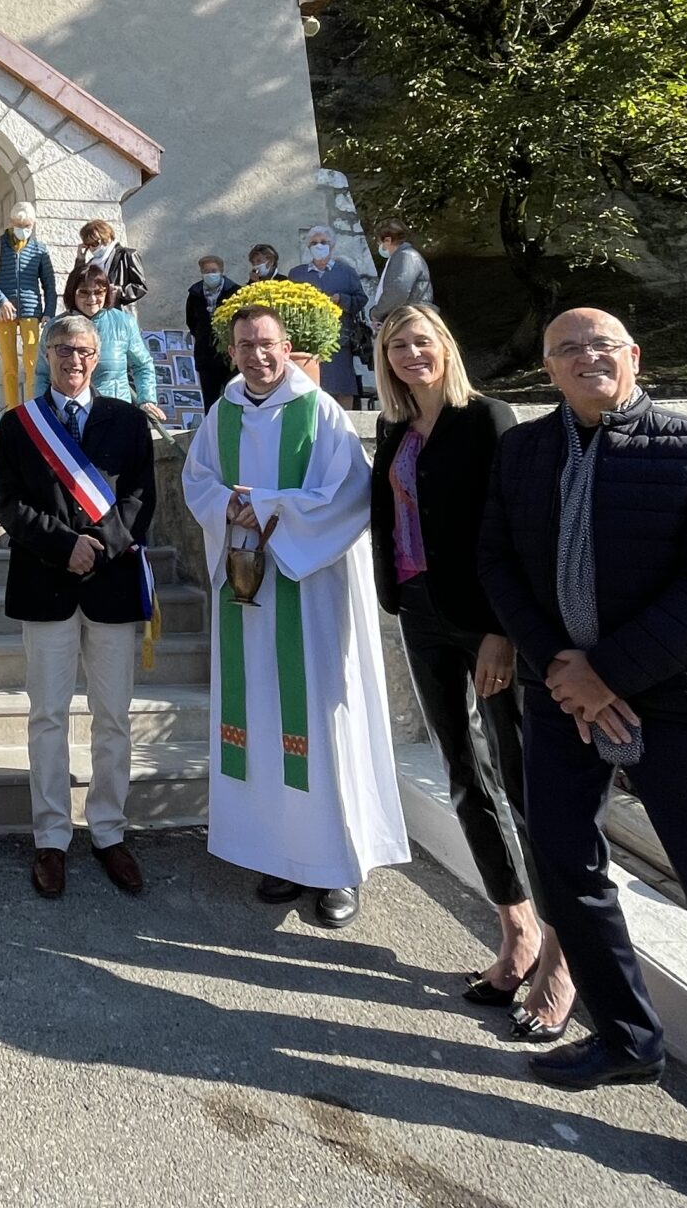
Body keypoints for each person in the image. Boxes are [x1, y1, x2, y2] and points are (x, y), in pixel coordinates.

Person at [479, 308, 687, 1208]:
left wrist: (608, 671)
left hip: (679, 700)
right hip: (561, 698)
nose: (587, 358)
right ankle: (627, 1037)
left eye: (603, 346)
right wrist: (562, 668)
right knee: (562, 861)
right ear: (548, 371)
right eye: (567, 349)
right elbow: (498, 564)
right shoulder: (524, 453)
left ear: (633, 358)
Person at [369, 303, 574, 1043]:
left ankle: (562, 955)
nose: (410, 354)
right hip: (419, 609)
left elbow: (512, 528)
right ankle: (516, 929)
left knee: (520, 778)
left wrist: (500, 631)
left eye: (421, 341)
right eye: (397, 345)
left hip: (483, 618)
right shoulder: (395, 426)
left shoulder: (488, 419)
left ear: (445, 346)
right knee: (463, 769)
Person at [180, 304, 407, 926]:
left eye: (267, 344)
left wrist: (266, 507)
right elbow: (198, 479)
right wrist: (228, 506)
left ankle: (337, 866)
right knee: (258, 717)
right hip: (248, 594)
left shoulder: (321, 410)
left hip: (310, 593)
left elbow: (349, 494)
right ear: (232, 352)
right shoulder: (222, 413)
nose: (257, 355)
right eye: (245, 345)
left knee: (319, 716)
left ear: (287, 347)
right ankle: (278, 854)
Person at [0, 312, 156, 898]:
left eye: (84, 350)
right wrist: (65, 547)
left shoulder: (127, 420)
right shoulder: (19, 424)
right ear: (48, 355)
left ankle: (109, 830)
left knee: (113, 717)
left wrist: (99, 547)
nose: (75, 360)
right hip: (46, 584)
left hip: (110, 585)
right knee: (48, 716)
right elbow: (8, 503)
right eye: (63, 349)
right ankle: (51, 837)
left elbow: (140, 498)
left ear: (98, 356)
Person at [0, 203, 56, 410]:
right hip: (4, 313)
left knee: (33, 363)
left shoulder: (39, 249)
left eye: (27, 225)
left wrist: (48, 312)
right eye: (19, 225)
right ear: (11, 223)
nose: (23, 229)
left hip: (31, 311)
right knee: (9, 365)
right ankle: (11, 410)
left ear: (33, 224)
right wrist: (0, 301)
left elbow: (49, 284)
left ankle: (34, 408)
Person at [65, 262, 161, 419]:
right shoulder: (56, 327)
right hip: (70, 415)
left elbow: (143, 365)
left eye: (99, 292)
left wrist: (147, 399)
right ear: (72, 293)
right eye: (84, 292)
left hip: (115, 413)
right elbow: (43, 374)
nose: (92, 299)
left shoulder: (124, 323)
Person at [287, 225, 369, 407]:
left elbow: (361, 299)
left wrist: (342, 299)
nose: (319, 246)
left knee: (342, 387)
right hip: (308, 341)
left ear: (332, 245)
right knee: (310, 389)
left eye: (323, 242)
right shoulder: (297, 274)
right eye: (314, 243)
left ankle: (343, 420)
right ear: (308, 247)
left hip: (340, 339)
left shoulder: (346, 272)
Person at [185, 253, 238, 403]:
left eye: (213, 270)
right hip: (205, 355)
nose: (210, 274)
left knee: (232, 395)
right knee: (210, 398)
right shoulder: (195, 293)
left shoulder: (234, 291)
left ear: (221, 271)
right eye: (206, 271)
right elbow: (191, 321)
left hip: (228, 355)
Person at [67, 216, 147, 313]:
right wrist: (80, 260)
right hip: (95, 314)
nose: (92, 248)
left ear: (106, 237)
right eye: (88, 244)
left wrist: (118, 291)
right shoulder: (92, 263)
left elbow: (140, 287)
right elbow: (76, 285)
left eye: (95, 243)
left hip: (120, 313)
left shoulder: (126, 255)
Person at [365, 223, 434, 333]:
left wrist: (377, 313)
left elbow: (398, 290)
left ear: (387, 240)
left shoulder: (405, 256)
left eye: (379, 242)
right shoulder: (403, 256)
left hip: (409, 322)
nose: (379, 246)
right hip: (408, 319)